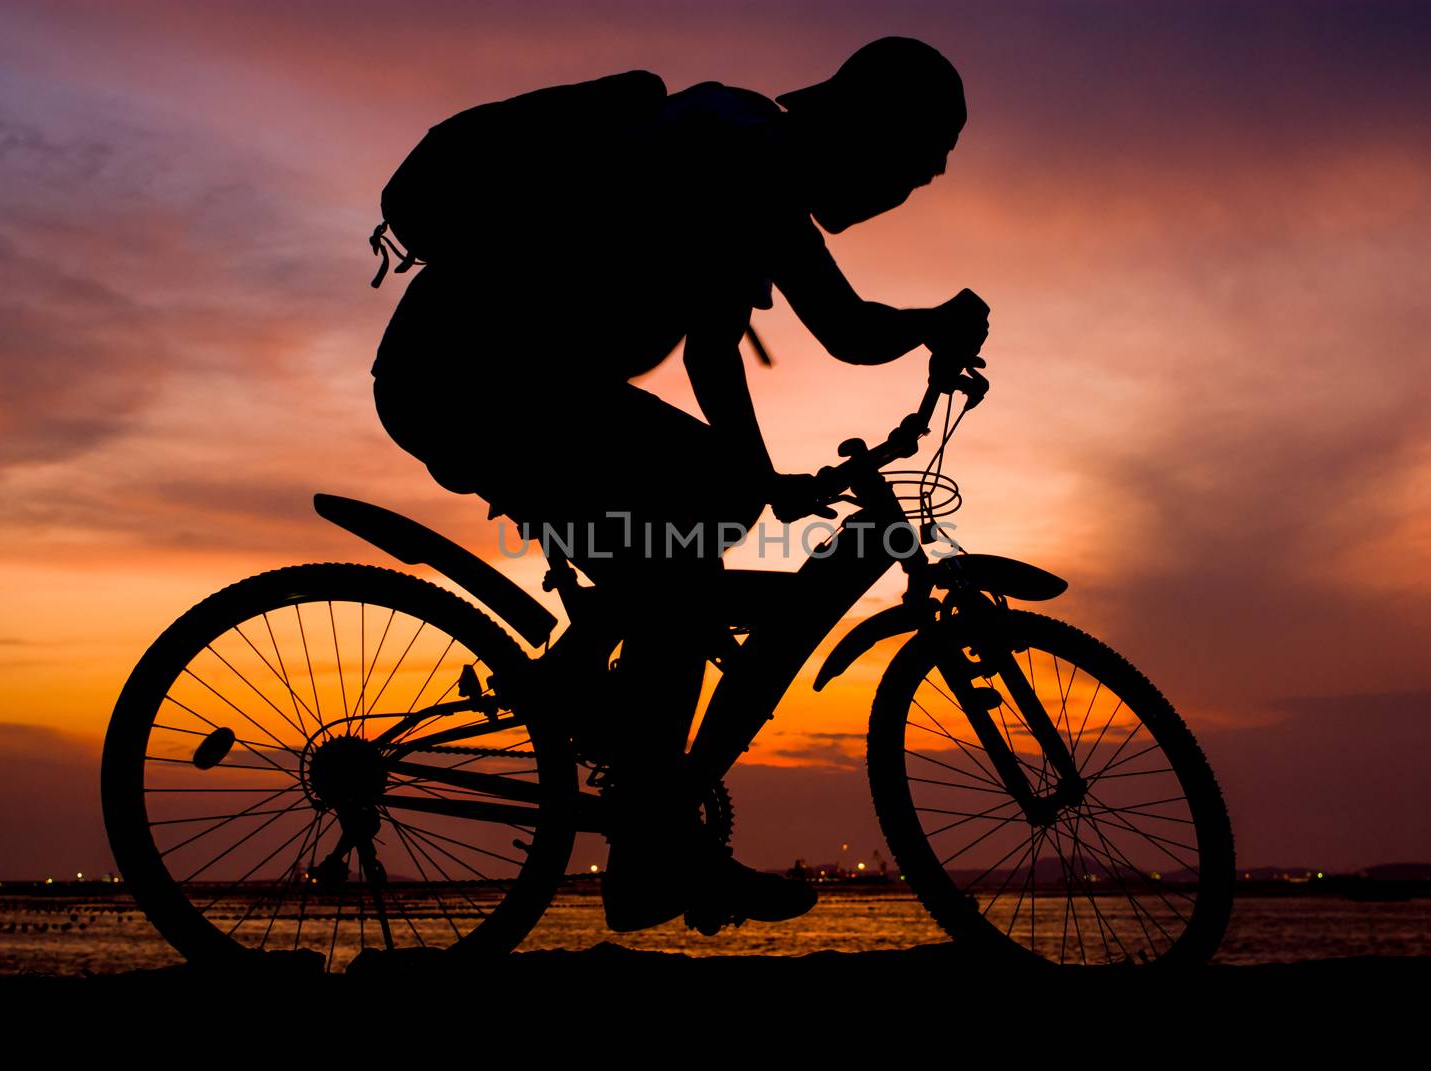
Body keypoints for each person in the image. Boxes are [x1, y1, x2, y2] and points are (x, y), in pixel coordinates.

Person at [371, 36, 990, 934]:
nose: (906, 188)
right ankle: (652, 842)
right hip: (474, 375)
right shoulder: (751, 150)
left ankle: (602, 712)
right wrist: (937, 320)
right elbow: (834, 330)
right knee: (695, 537)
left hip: (498, 377)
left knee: (711, 506)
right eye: (914, 163)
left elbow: (736, 346)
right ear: (870, 123)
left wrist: (766, 479)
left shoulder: (737, 145)